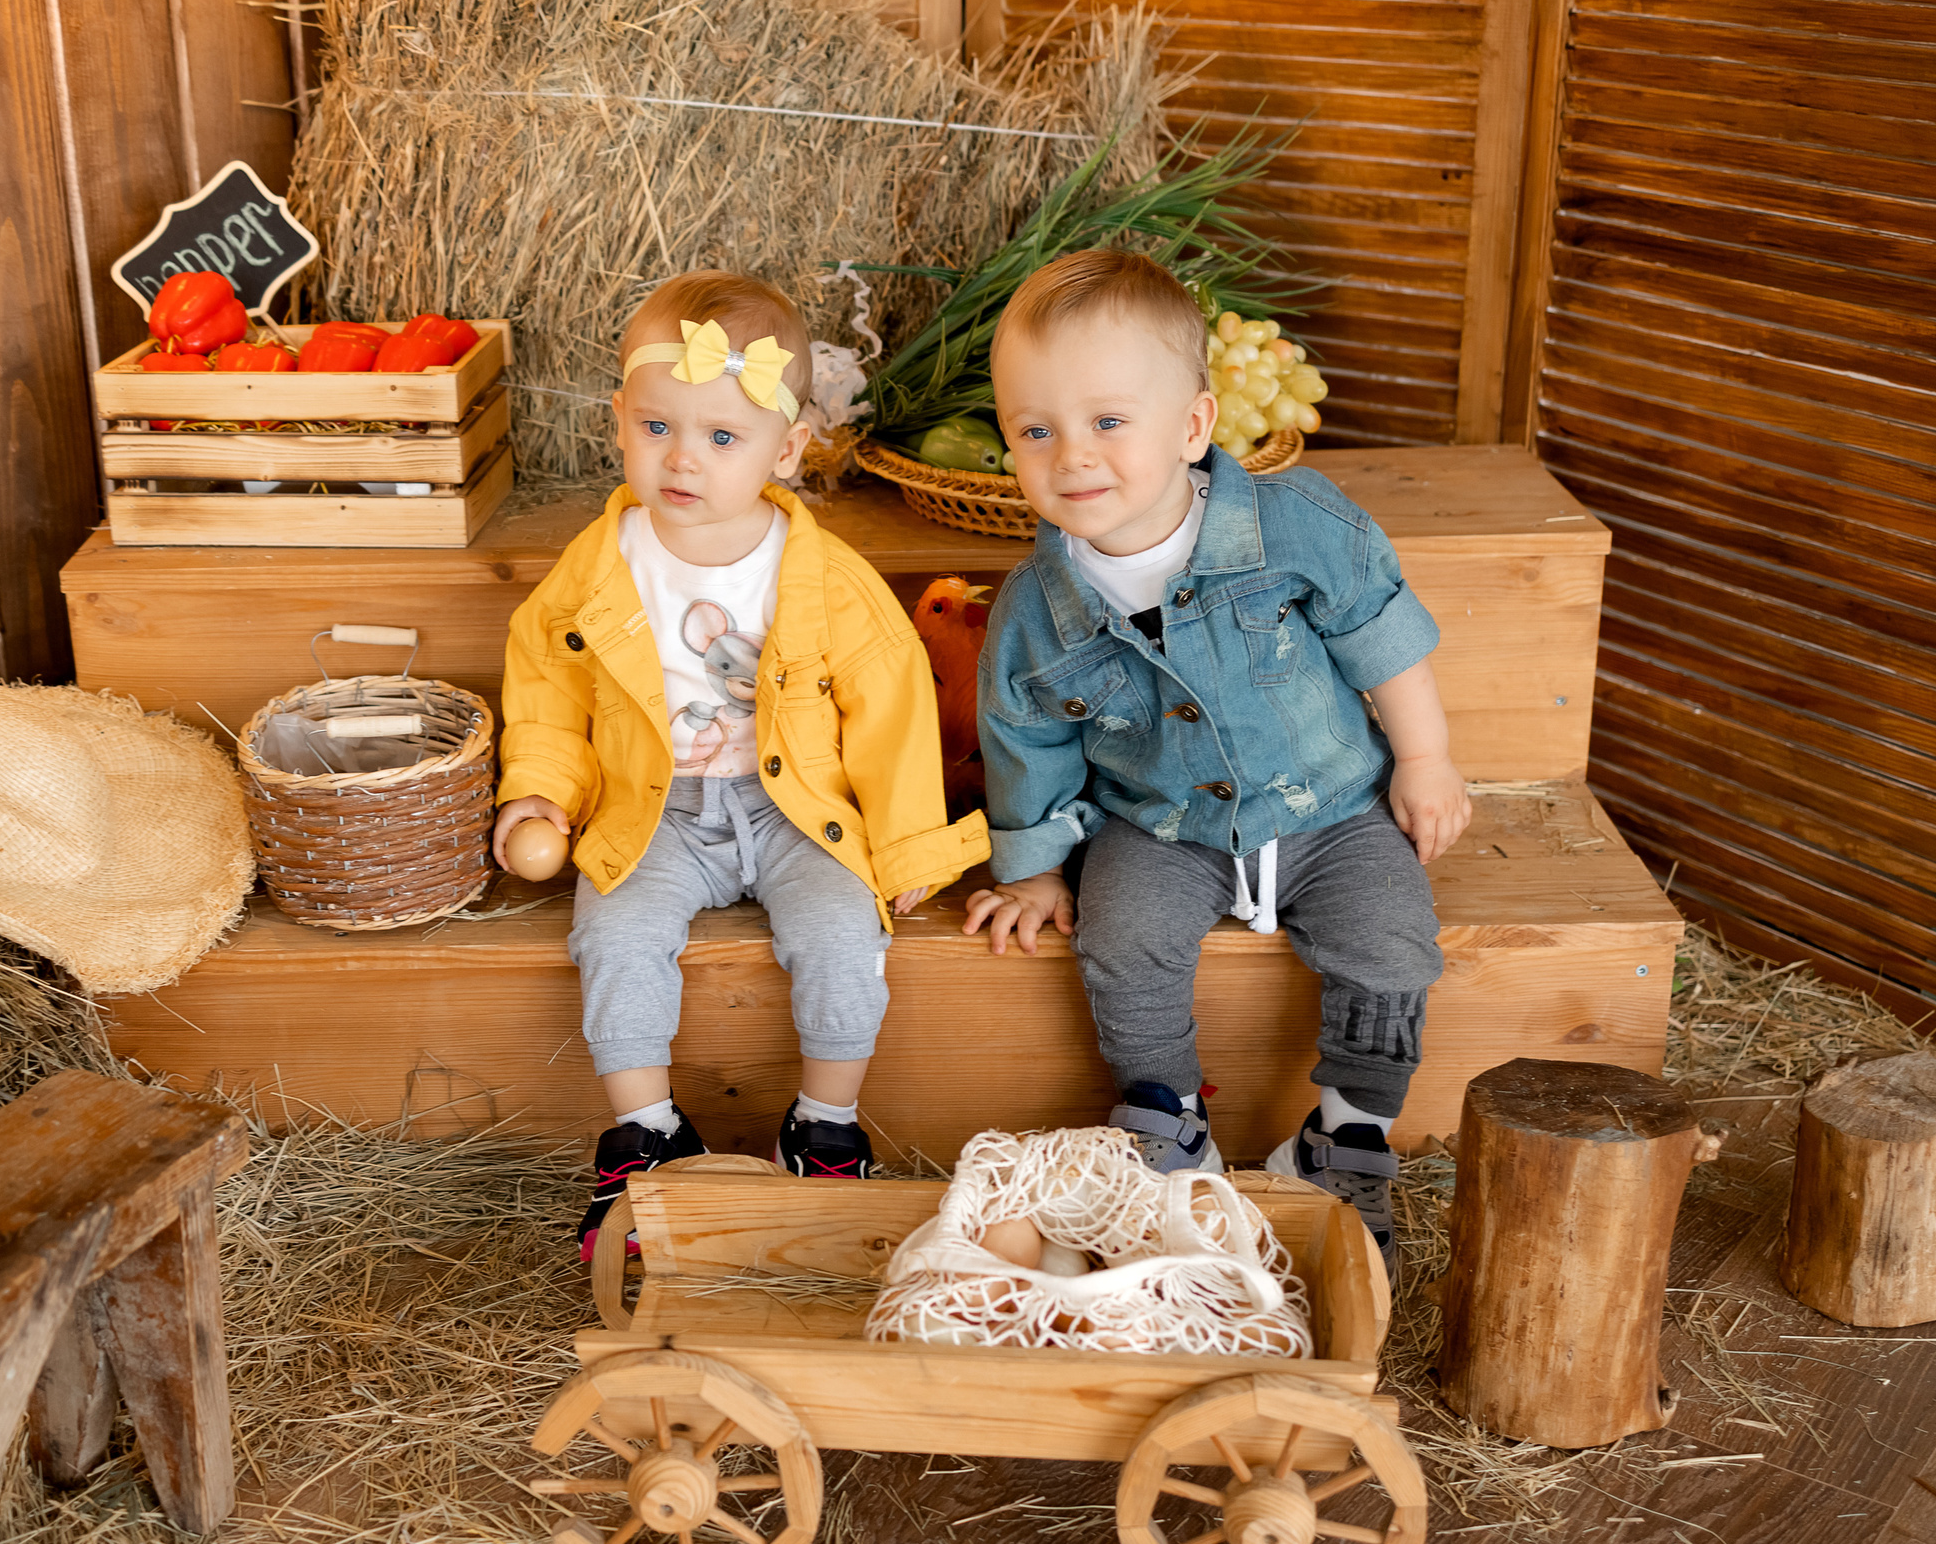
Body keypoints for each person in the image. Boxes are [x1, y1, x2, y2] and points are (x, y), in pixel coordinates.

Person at [961, 250, 1470, 1270]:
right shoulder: (1034, 613)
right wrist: (1028, 869)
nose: (1073, 456)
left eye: (1108, 422)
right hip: (1161, 824)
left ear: (1190, 426)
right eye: (1036, 430)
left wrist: (1424, 758)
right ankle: (1165, 1114)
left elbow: (1381, 635)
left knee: (1390, 939)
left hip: (1328, 804)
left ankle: (1346, 1131)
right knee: (1123, 938)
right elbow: (1026, 735)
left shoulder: (1291, 527)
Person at [495, 270, 987, 1260]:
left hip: (795, 809)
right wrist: (540, 789)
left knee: (844, 936)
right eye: (658, 429)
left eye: (722, 438)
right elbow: (548, 684)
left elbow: (886, 709)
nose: (684, 460)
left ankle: (824, 1125)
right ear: (619, 420)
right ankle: (644, 1138)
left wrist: (905, 847)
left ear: (787, 448)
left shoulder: (821, 579)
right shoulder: (597, 568)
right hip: (654, 809)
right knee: (614, 934)